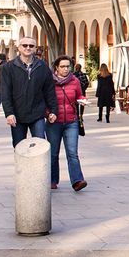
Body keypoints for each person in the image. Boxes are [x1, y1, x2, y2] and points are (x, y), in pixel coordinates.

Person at [0, 37, 58, 147]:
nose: (28, 48)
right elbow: (6, 92)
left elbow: (49, 91)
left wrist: (53, 110)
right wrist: (9, 113)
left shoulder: (43, 66)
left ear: (35, 48)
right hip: (17, 115)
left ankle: (39, 165)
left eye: (31, 46)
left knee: (40, 146)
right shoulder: (9, 67)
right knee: (19, 147)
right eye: (25, 45)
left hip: (37, 114)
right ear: (19, 48)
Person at [46, 55, 87, 192]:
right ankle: (52, 180)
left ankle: (77, 181)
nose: (66, 69)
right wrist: (48, 114)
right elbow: (44, 101)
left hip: (71, 121)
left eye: (68, 66)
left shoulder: (74, 81)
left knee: (72, 153)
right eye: (62, 66)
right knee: (53, 153)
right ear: (56, 68)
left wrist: (82, 100)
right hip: (54, 122)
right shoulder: (49, 82)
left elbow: (79, 95)